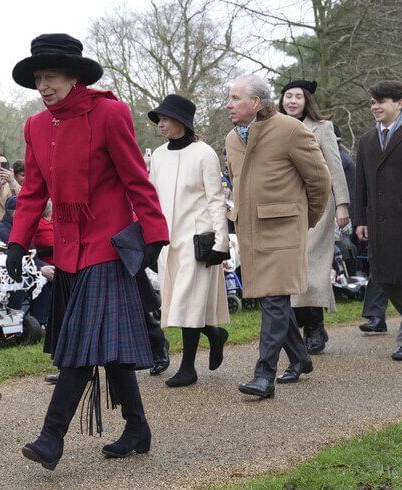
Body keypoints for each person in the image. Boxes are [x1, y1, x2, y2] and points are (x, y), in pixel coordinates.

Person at [7, 33, 169, 470]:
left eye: (52, 77)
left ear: (74, 77)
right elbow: (33, 192)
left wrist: (154, 232)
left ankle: (50, 438)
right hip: (67, 251)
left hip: (108, 246)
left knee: (80, 342)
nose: (44, 86)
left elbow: (137, 178)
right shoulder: (36, 126)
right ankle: (138, 428)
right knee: (105, 343)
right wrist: (17, 240)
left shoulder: (110, 113)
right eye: (39, 78)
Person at [224, 74, 330, 399]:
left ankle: (263, 375)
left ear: (255, 102)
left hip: (284, 229)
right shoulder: (231, 138)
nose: (229, 104)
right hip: (250, 231)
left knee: (274, 300)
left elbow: (320, 181)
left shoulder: (290, 130)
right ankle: (300, 357)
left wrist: (305, 221)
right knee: (272, 299)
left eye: (235, 98)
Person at [147, 94, 230, 388]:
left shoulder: (204, 153)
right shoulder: (157, 155)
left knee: (188, 301)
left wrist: (222, 242)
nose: (161, 124)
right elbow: (152, 199)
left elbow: (216, 199)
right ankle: (213, 333)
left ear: (182, 122)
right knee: (177, 302)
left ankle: (188, 367)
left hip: (198, 238)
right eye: (159, 119)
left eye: (166, 118)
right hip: (168, 240)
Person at [279, 80, 351, 357]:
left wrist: (343, 203)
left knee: (309, 266)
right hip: (287, 207)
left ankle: (314, 328)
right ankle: (306, 327)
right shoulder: (275, 127)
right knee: (293, 268)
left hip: (319, 205)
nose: (292, 101)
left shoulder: (323, 128)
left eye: (298, 97)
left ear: (306, 101)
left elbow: (335, 166)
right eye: (288, 96)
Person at [355, 80, 402, 361]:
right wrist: (361, 218)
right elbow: (361, 184)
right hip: (379, 222)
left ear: (399, 103)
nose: (375, 107)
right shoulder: (367, 140)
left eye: (381, 101)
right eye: (372, 102)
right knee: (385, 278)